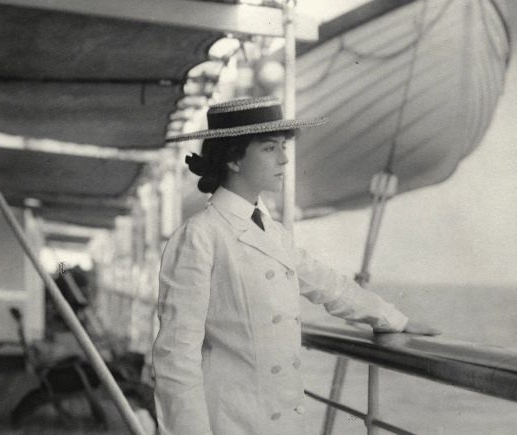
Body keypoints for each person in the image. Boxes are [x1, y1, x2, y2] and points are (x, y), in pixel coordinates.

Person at [152, 97, 439, 435]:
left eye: (282, 147)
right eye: (270, 148)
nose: (285, 159)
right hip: (228, 423)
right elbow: (176, 358)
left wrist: (393, 319)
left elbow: (327, 284)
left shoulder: (271, 230)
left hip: (282, 419)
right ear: (234, 159)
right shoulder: (200, 236)